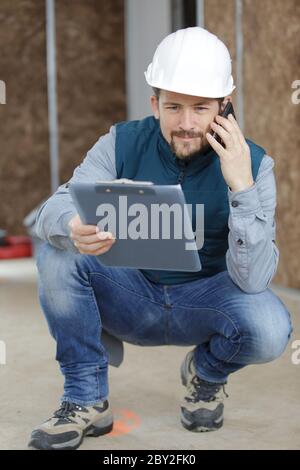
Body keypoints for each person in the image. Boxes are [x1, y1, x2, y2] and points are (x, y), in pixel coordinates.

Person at [29, 27, 293, 450]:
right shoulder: (120, 142)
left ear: (225, 106)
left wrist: (241, 189)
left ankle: (206, 375)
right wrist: (74, 227)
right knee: (58, 254)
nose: (186, 124)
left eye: (201, 108)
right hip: (132, 296)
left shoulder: (255, 166)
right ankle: (85, 399)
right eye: (173, 107)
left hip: (206, 302)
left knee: (270, 326)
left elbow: (255, 280)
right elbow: (51, 211)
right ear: (155, 104)